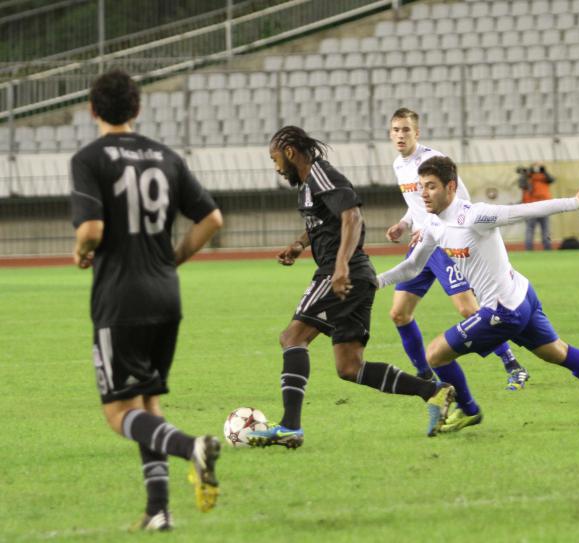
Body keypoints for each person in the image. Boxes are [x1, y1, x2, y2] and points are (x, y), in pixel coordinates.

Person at [378, 156, 579, 432]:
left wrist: (575, 202)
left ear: (451, 187)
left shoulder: (474, 216)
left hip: (504, 310)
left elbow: (522, 211)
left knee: (435, 355)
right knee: (556, 352)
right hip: (520, 294)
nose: (423, 194)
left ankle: (469, 410)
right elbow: (413, 266)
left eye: (431, 186)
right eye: (421, 187)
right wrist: (376, 280)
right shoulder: (432, 224)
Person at [70, 69, 224, 531]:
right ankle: (159, 510)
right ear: (137, 110)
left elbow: (91, 230)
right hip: (165, 294)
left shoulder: (89, 158)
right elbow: (211, 219)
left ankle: (190, 447)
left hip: (120, 298)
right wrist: (171, 259)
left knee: (119, 412)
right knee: (148, 401)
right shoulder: (165, 156)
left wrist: (81, 252)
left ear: (93, 110)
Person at [247, 126, 455, 448]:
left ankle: (290, 426)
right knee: (349, 366)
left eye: (274, 159)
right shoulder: (308, 184)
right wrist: (300, 243)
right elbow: (325, 221)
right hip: (354, 275)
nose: (275, 167)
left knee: (292, 338)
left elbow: (352, 216)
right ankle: (434, 392)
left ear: (289, 152)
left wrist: (341, 265)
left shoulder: (320, 173)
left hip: (342, 272)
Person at [384, 108, 529, 392]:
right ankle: (425, 375)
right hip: (420, 247)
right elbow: (417, 204)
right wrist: (404, 223)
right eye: (396, 130)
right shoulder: (398, 165)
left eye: (406, 130)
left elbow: (458, 199)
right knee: (399, 313)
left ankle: (514, 366)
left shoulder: (434, 162)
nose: (400, 135)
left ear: (417, 133)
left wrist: (433, 226)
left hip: (442, 245)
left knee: (468, 310)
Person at [517, 162, 556, 250]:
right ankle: (530, 248)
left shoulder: (544, 177)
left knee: (544, 229)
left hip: (542, 206)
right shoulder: (528, 177)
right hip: (533, 206)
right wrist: (527, 173)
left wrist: (544, 171)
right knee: (532, 229)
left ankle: (546, 248)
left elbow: (552, 179)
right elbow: (521, 184)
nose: (536, 170)